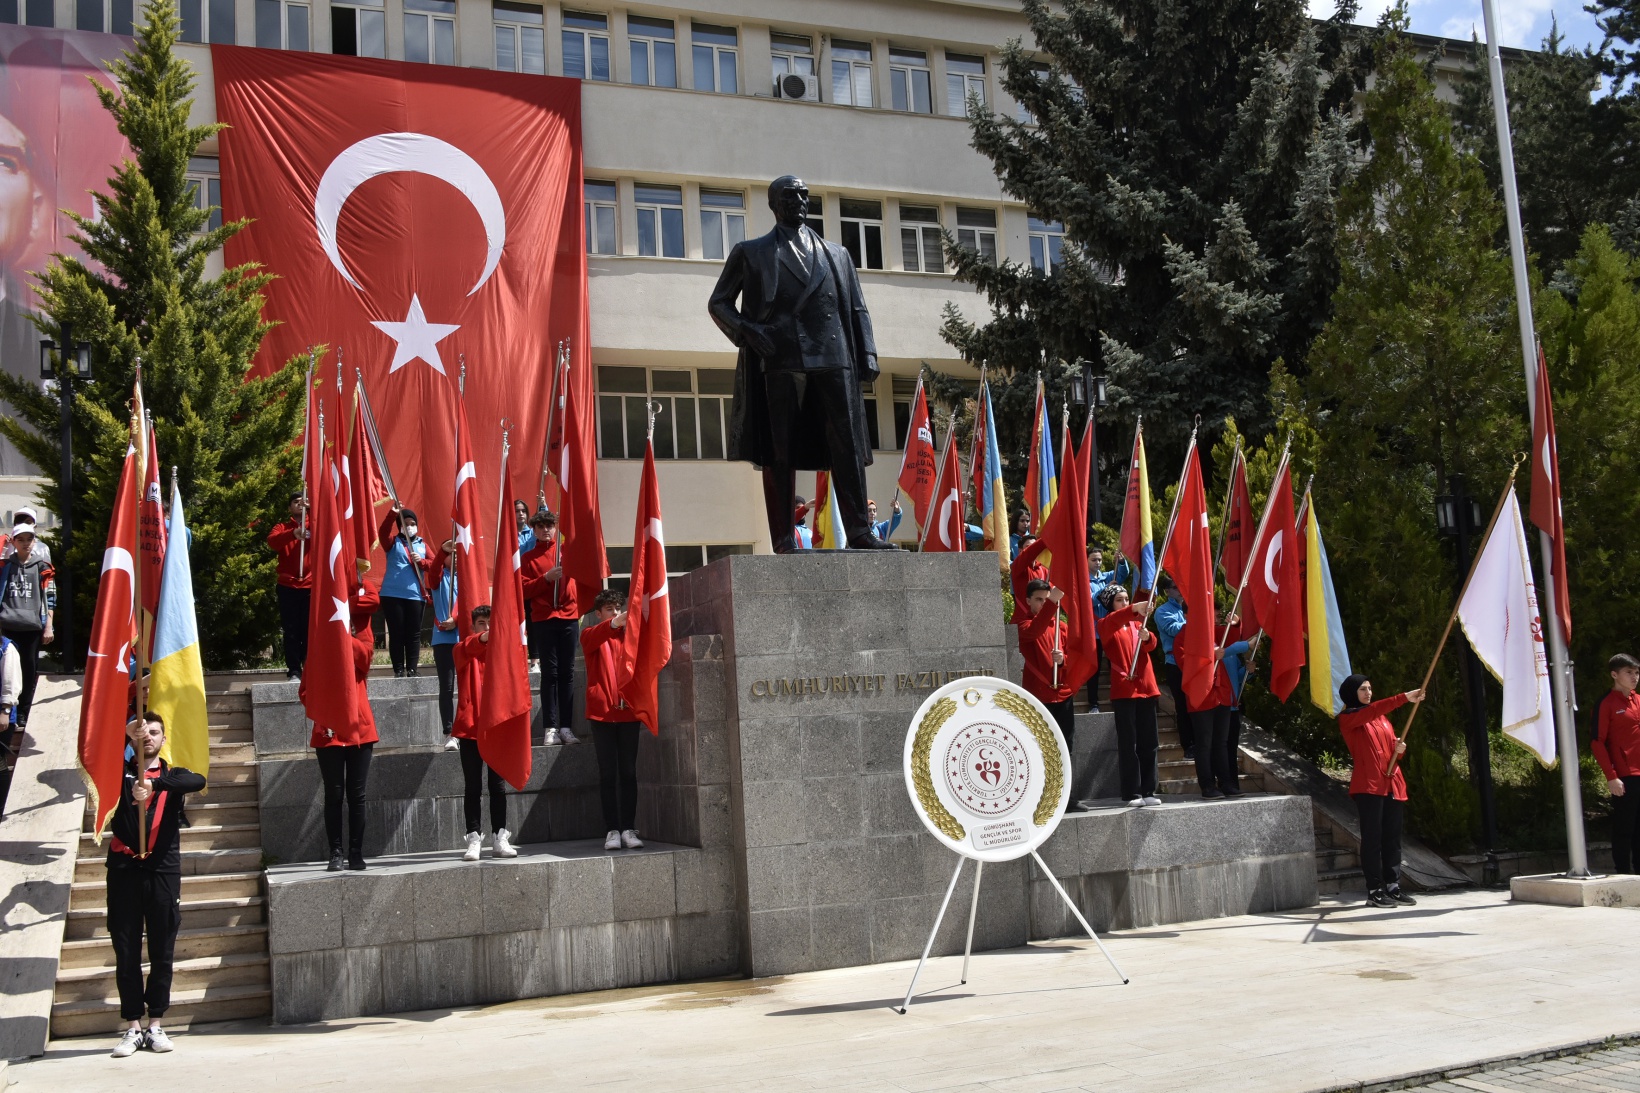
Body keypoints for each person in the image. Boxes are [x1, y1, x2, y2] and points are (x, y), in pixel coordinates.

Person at [707, 174, 891, 553]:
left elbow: (856, 307)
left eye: (805, 195)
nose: (801, 201)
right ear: (775, 203)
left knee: (847, 444)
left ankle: (859, 530)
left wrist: (867, 353)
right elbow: (719, 302)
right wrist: (748, 330)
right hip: (781, 356)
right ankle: (784, 537)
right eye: (792, 195)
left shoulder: (836, 254)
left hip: (834, 355)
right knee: (780, 447)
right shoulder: (752, 252)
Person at [106, 711, 204, 1058]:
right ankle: (133, 1026)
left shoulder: (171, 776)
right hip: (124, 869)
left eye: (154, 732)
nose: (148, 737)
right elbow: (98, 758)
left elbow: (198, 781)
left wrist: (155, 785)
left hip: (162, 870)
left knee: (162, 948)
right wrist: (123, 736)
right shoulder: (118, 774)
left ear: (164, 739)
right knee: (127, 949)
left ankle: (156, 1024)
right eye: (141, 732)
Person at [1336, 674, 1424, 908]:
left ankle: (1393, 886)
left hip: (1392, 784)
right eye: (1362, 689)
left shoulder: (1382, 720)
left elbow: (1388, 751)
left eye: (1370, 688)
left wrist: (1399, 749)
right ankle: (1374, 890)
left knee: (1392, 839)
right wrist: (1404, 698)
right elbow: (1373, 710)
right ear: (1351, 692)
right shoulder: (1349, 717)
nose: (1368, 692)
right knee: (1372, 839)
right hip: (1369, 786)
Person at [308, 588, 380, 871]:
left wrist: (342, 636)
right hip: (328, 729)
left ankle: (355, 853)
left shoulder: (359, 627)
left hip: (360, 727)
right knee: (334, 794)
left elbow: (365, 659)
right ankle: (335, 853)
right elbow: (306, 689)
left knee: (357, 794)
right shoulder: (319, 633)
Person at [451, 604, 518, 862]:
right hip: (470, 729)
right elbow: (466, 649)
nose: (487, 628)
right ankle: (473, 837)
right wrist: (485, 638)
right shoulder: (463, 649)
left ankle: (500, 837)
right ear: (474, 627)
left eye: (491, 623)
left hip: (497, 727)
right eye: (482, 623)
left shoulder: (504, 652)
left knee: (497, 785)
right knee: (473, 786)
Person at [1017, 578, 1089, 812]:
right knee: (1039, 748)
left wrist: (1064, 660)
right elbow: (1035, 629)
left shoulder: (1062, 627)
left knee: (1065, 747)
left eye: (1047, 600)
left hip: (1062, 695)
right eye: (1039, 600)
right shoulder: (1023, 624)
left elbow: (1073, 657)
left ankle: (1066, 797)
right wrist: (1053, 604)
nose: (1044, 604)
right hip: (1039, 697)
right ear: (1028, 601)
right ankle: (1040, 799)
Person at [582, 590, 644, 851]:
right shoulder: (590, 634)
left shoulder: (631, 637)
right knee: (608, 773)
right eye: (609, 609)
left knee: (628, 772)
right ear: (598, 613)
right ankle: (612, 830)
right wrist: (616, 623)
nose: (615, 613)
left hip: (629, 712)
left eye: (618, 608)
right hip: (603, 713)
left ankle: (628, 828)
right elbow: (600, 634)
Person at [1097, 584, 1160, 806]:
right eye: (1119, 600)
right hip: (1125, 690)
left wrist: (1147, 637)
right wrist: (1135, 607)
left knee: (1149, 742)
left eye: (1126, 599)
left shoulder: (1136, 624)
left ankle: (1149, 790)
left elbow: (1151, 646)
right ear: (1110, 605)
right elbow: (1116, 620)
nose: (1124, 603)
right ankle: (1132, 792)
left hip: (1146, 688)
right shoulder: (1105, 624)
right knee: (1128, 743)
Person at [522, 508, 580, 746]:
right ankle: (550, 728)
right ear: (534, 530)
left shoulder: (566, 552)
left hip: (568, 615)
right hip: (544, 619)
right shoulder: (527, 559)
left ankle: (566, 727)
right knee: (550, 674)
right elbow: (523, 590)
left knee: (567, 673)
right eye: (542, 526)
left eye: (550, 526)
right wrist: (545, 579)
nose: (546, 530)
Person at [0, 523, 53, 729]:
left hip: (31, 627)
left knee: (28, 669)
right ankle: (8, 711)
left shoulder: (42, 568)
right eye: (20, 540)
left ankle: (23, 712)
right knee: (6, 670)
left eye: (29, 539)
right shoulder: (5, 567)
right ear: (13, 542)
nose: (25, 544)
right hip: (7, 625)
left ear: (34, 542)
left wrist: (49, 626)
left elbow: (50, 597)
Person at [1594, 653, 1640, 874]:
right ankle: (1623, 872)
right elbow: (1597, 742)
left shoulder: (1638, 701)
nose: (1635, 677)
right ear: (1615, 674)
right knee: (1625, 827)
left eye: (1637, 672)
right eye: (1629, 672)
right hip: (1625, 775)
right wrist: (1611, 776)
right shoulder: (1606, 703)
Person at [378, 504, 433, 677]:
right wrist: (393, 512)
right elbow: (383, 531)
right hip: (392, 594)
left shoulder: (423, 545)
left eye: (412, 523)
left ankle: (412, 669)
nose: (409, 526)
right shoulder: (393, 542)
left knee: (413, 633)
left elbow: (435, 564)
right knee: (396, 633)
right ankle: (399, 669)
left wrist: (422, 562)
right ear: (399, 525)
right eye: (405, 523)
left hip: (416, 595)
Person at [266, 493, 311, 679]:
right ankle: (294, 669)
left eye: (302, 501)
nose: (299, 504)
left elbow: (328, 534)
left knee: (309, 630)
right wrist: (293, 533)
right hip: (287, 585)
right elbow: (272, 541)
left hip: (310, 584)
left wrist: (313, 510)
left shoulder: (314, 523)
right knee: (291, 630)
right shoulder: (282, 527)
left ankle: (309, 668)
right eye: (295, 502)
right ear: (289, 508)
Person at [1152, 575, 1195, 759]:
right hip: (1175, 663)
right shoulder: (1162, 611)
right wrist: (1194, 622)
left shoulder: (1191, 607)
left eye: (1181, 586)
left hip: (1194, 662)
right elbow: (1173, 629)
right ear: (1167, 591)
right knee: (1183, 705)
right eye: (1175, 587)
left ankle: (1200, 740)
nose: (1179, 589)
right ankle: (1188, 745)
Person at [1084, 547, 1127, 713]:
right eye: (1094, 560)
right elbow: (1090, 601)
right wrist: (1105, 589)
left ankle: (1119, 697)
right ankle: (1093, 703)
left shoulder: (1107, 576)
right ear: (1086, 561)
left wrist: (1121, 562)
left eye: (1100, 560)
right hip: (1094, 631)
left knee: (1115, 664)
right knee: (1093, 669)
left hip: (1110, 630)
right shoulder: (1084, 580)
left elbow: (1122, 575)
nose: (1098, 563)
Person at [431, 541, 460, 751]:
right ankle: (449, 733)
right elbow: (432, 570)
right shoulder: (439, 578)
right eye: (451, 554)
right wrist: (442, 551)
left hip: (465, 639)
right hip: (443, 640)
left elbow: (473, 604)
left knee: (469, 687)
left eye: (458, 553)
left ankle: (467, 728)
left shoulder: (469, 579)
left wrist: (456, 619)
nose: (455, 557)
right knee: (447, 687)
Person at [1009, 534, 1048, 624]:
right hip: (1021, 621)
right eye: (1028, 547)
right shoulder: (1017, 566)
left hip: (1040, 620)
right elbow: (1028, 554)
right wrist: (1046, 538)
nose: (1032, 549)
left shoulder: (1044, 570)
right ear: (1020, 550)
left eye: (1034, 546)